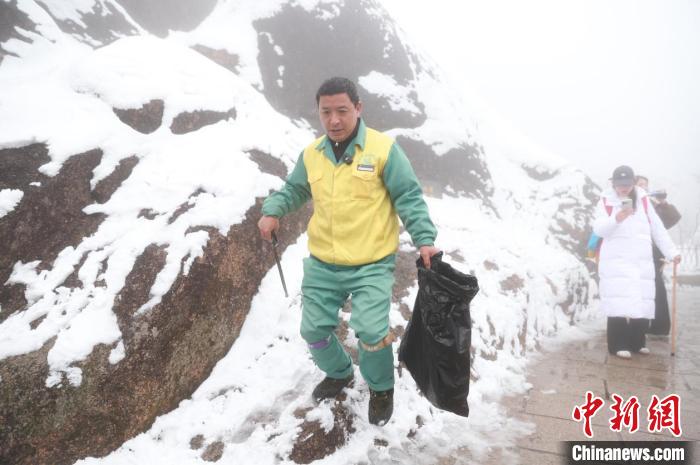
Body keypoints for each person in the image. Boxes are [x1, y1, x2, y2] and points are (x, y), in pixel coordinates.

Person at [257, 77, 440, 426]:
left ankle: (382, 388)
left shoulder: (383, 149)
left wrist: (424, 238)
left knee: (371, 331)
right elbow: (295, 188)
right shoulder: (312, 154)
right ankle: (340, 372)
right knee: (313, 331)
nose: (334, 120)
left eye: (342, 110)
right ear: (319, 113)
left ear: (358, 108)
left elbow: (408, 197)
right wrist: (274, 210)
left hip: (372, 262)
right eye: (326, 112)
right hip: (325, 262)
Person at [593, 165, 680, 358]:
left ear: (633, 182)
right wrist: (617, 218)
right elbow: (599, 229)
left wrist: (672, 252)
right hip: (617, 259)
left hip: (640, 259)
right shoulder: (605, 201)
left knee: (641, 299)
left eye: (627, 184)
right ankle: (617, 344)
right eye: (619, 184)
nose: (623, 188)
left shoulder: (644, 201)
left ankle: (637, 341)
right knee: (618, 300)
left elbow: (658, 229)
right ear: (613, 184)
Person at [635, 175, 682, 335]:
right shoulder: (633, 203)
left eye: (646, 185)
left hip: (654, 253)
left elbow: (673, 219)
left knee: (657, 287)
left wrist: (662, 203)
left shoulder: (653, 205)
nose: (644, 188)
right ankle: (638, 323)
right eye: (640, 185)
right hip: (637, 252)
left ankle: (659, 326)